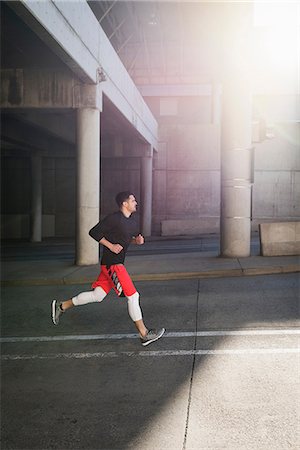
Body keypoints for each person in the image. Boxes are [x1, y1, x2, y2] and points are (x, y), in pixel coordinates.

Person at [51, 191, 165, 346]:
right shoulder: (114, 219)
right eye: (133, 200)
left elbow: (126, 238)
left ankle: (61, 305)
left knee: (97, 295)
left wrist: (136, 241)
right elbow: (94, 232)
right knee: (133, 296)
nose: (136, 202)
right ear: (124, 204)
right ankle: (144, 334)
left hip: (115, 264)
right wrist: (110, 246)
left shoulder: (132, 221)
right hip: (113, 264)